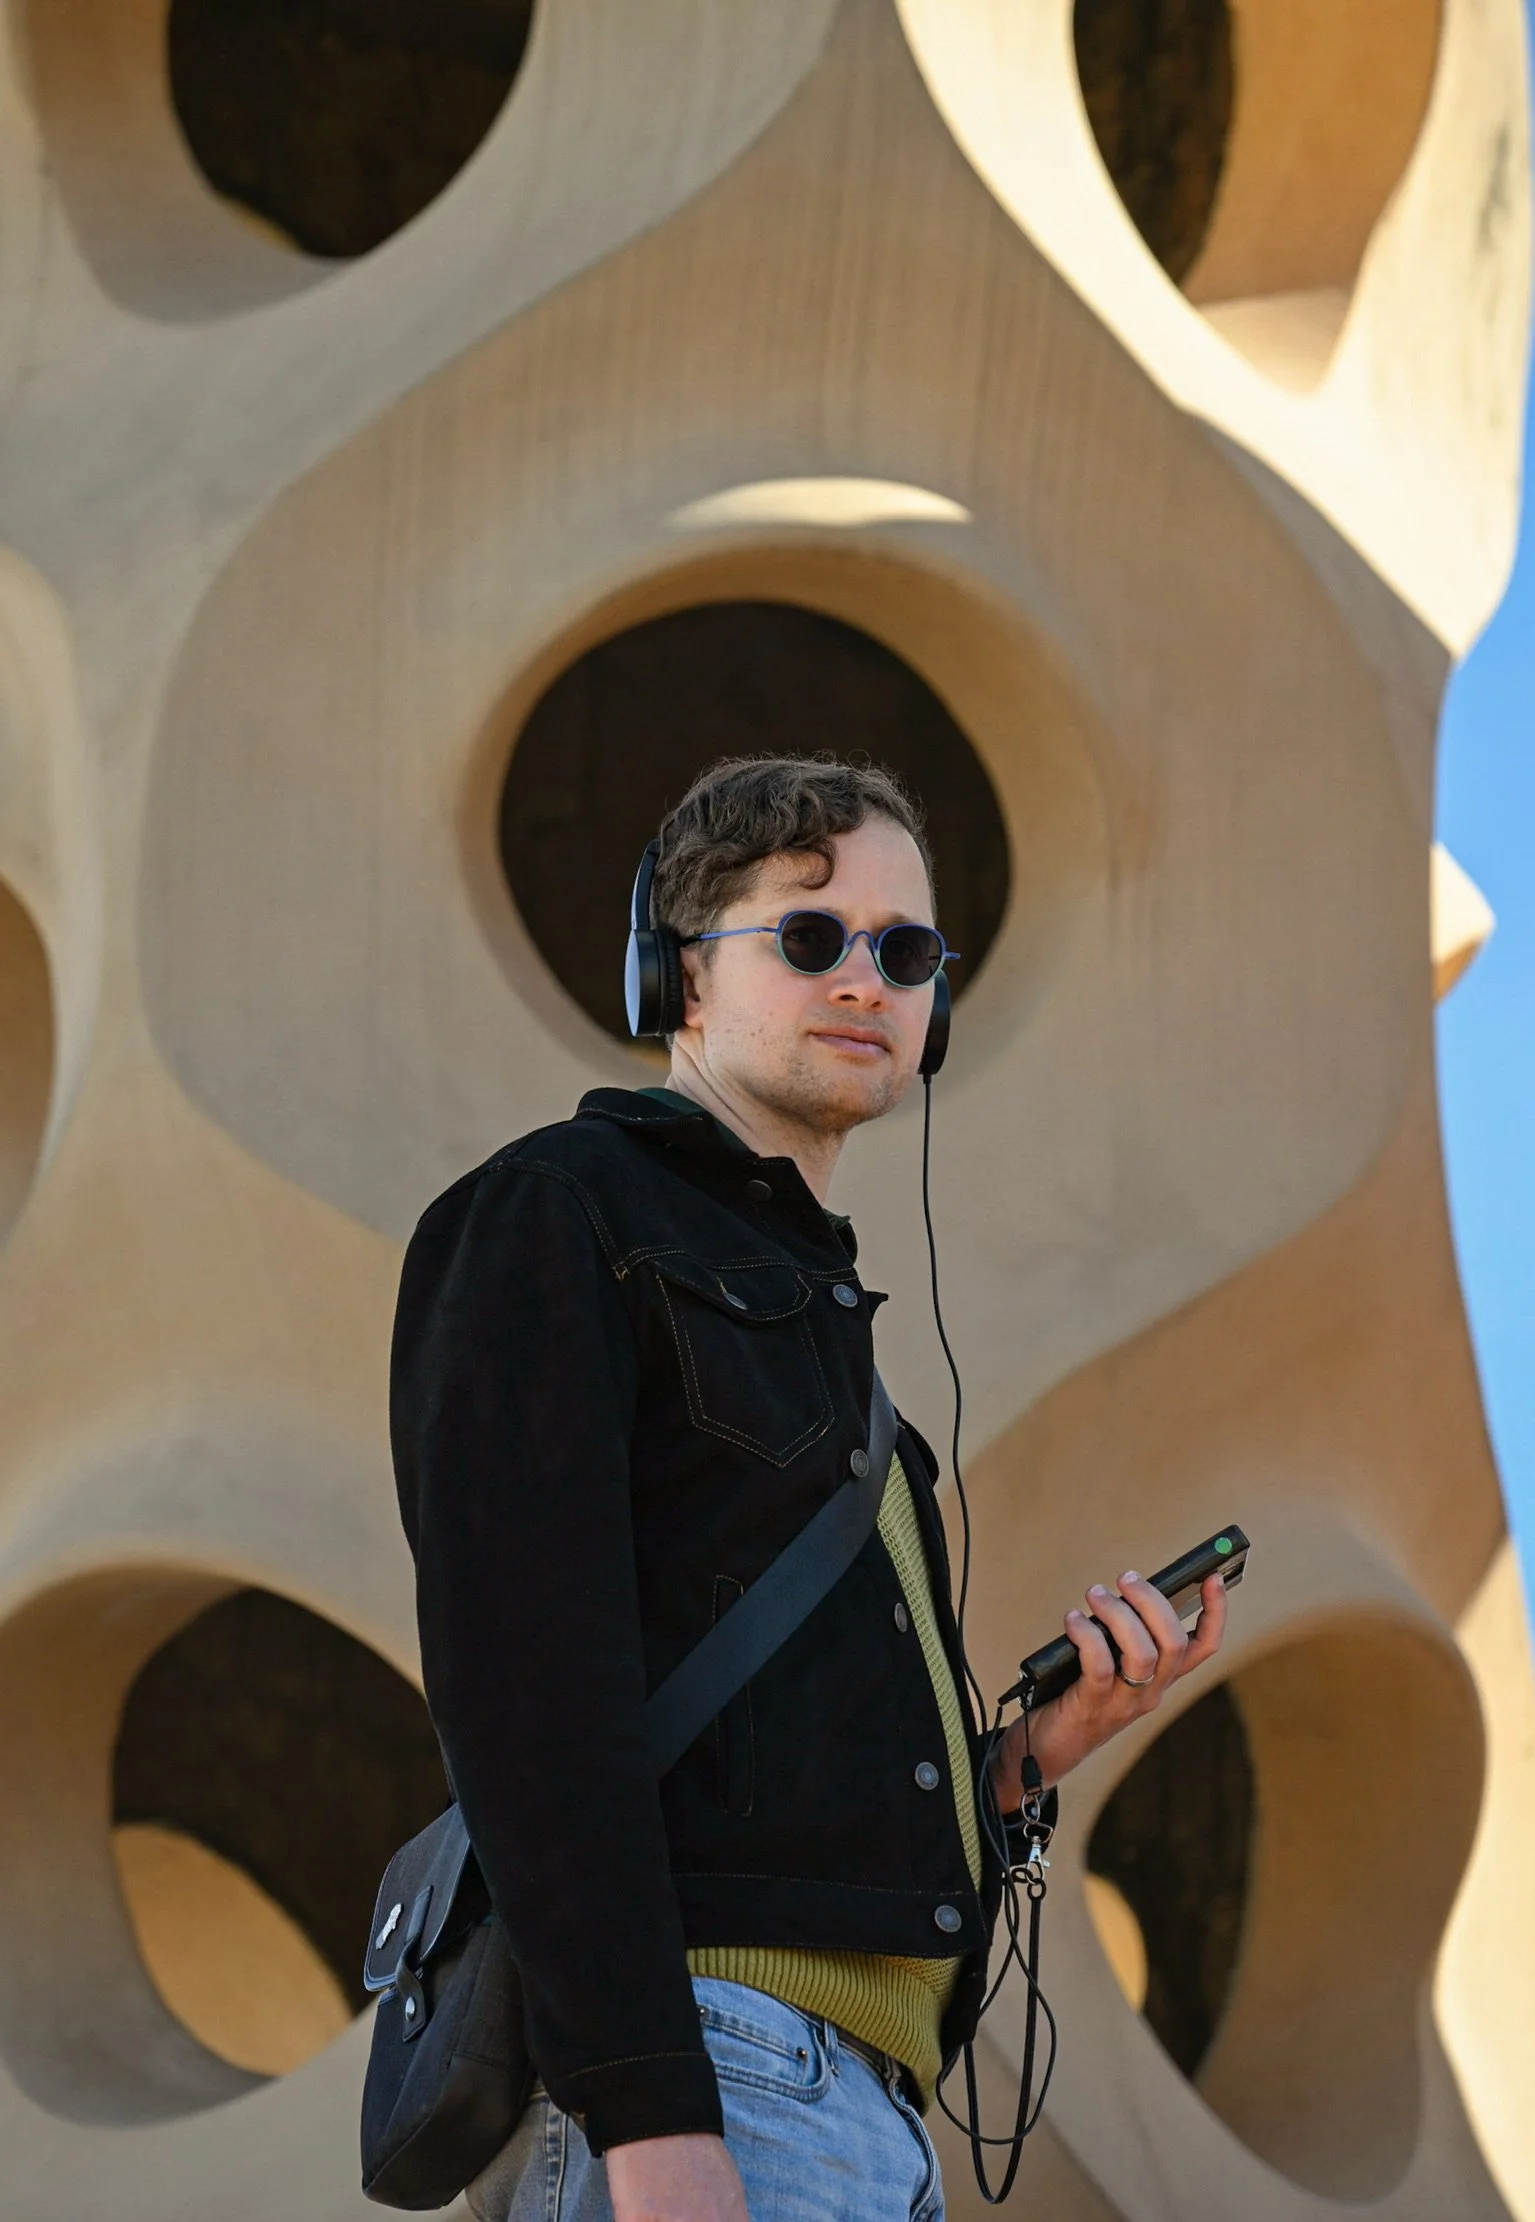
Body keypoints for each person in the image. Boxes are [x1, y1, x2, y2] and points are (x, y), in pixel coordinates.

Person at [390, 755, 1226, 2222]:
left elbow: (777, 1790)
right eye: (810, 933)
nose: (866, 978)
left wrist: (1032, 1751)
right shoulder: (558, 1215)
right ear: (678, 976)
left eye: (905, 952)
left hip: (869, 2118)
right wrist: (652, 2117)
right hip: (713, 2081)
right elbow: (523, 1703)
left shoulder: (848, 1369)